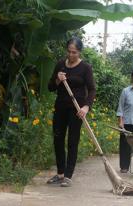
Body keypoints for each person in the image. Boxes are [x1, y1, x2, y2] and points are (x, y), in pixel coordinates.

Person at [46, 37, 96, 187]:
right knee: (58, 139)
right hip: (60, 107)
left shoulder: (85, 68)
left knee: (72, 141)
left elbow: (92, 89)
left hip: (77, 110)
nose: (71, 55)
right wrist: (57, 80)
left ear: (79, 52)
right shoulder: (60, 65)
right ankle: (60, 173)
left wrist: (86, 107)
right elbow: (50, 87)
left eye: (74, 52)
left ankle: (68, 175)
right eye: (69, 51)